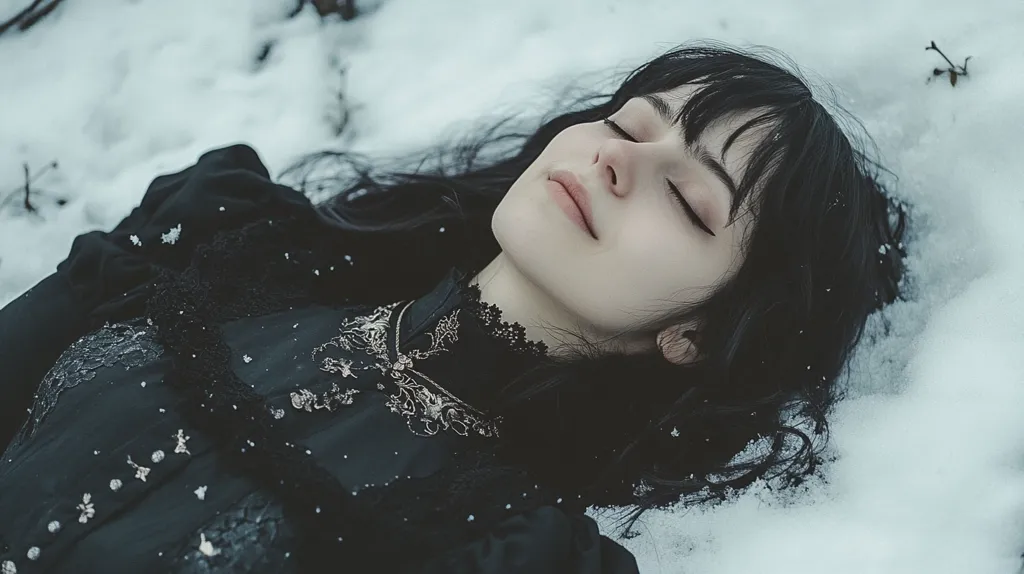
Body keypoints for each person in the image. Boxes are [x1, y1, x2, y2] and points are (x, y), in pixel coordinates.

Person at [0, 42, 907, 573]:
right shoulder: (233, 252)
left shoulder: (506, 548)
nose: (617, 159)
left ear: (696, 335)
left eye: (686, 197)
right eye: (629, 124)